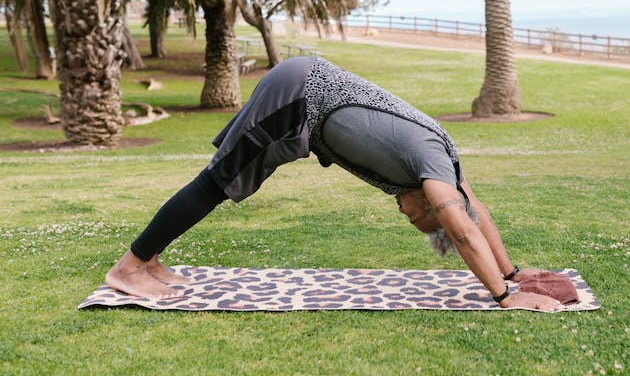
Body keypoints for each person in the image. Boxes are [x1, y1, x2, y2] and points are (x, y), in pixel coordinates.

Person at [105, 56, 563, 312]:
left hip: (304, 94)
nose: (406, 214)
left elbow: (475, 213)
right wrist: (505, 298)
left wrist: (512, 273)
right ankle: (129, 267)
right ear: (434, 202)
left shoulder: (448, 175)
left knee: (221, 179)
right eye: (422, 217)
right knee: (216, 183)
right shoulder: (434, 172)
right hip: (297, 95)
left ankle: (149, 261)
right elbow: (461, 228)